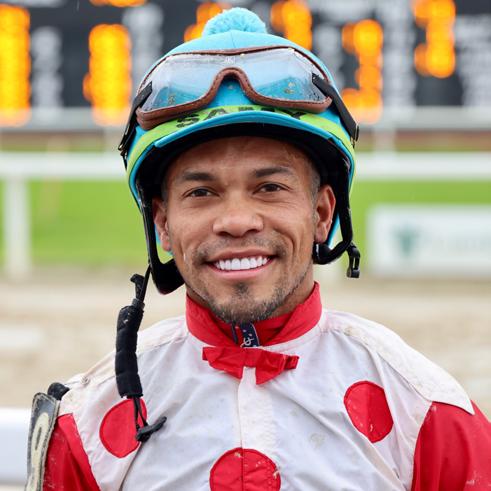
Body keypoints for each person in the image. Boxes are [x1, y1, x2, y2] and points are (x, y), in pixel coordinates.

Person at [26, 8, 490, 491]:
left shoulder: (427, 412)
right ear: (163, 223)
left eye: (269, 188)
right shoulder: (84, 427)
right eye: (201, 192)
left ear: (322, 213)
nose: (236, 221)